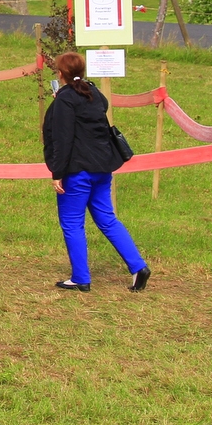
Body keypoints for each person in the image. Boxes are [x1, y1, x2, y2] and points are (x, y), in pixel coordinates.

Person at [43, 51, 151, 292]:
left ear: (60, 74)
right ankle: (138, 266)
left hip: (77, 171)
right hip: (103, 168)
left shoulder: (65, 100)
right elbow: (89, 108)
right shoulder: (93, 93)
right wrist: (61, 99)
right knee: (107, 219)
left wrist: (57, 173)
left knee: (72, 223)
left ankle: (81, 278)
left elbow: (62, 139)